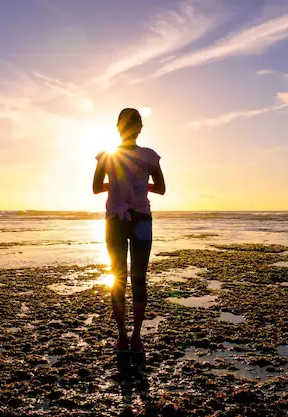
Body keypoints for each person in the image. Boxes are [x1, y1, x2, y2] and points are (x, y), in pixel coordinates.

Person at [92, 108, 166, 353]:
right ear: (140, 128)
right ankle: (136, 338)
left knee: (118, 278)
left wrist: (113, 184)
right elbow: (162, 188)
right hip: (142, 220)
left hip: (115, 220)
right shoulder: (149, 157)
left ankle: (122, 338)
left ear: (117, 128)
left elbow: (95, 188)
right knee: (139, 278)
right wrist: (143, 186)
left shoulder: (107, 156)